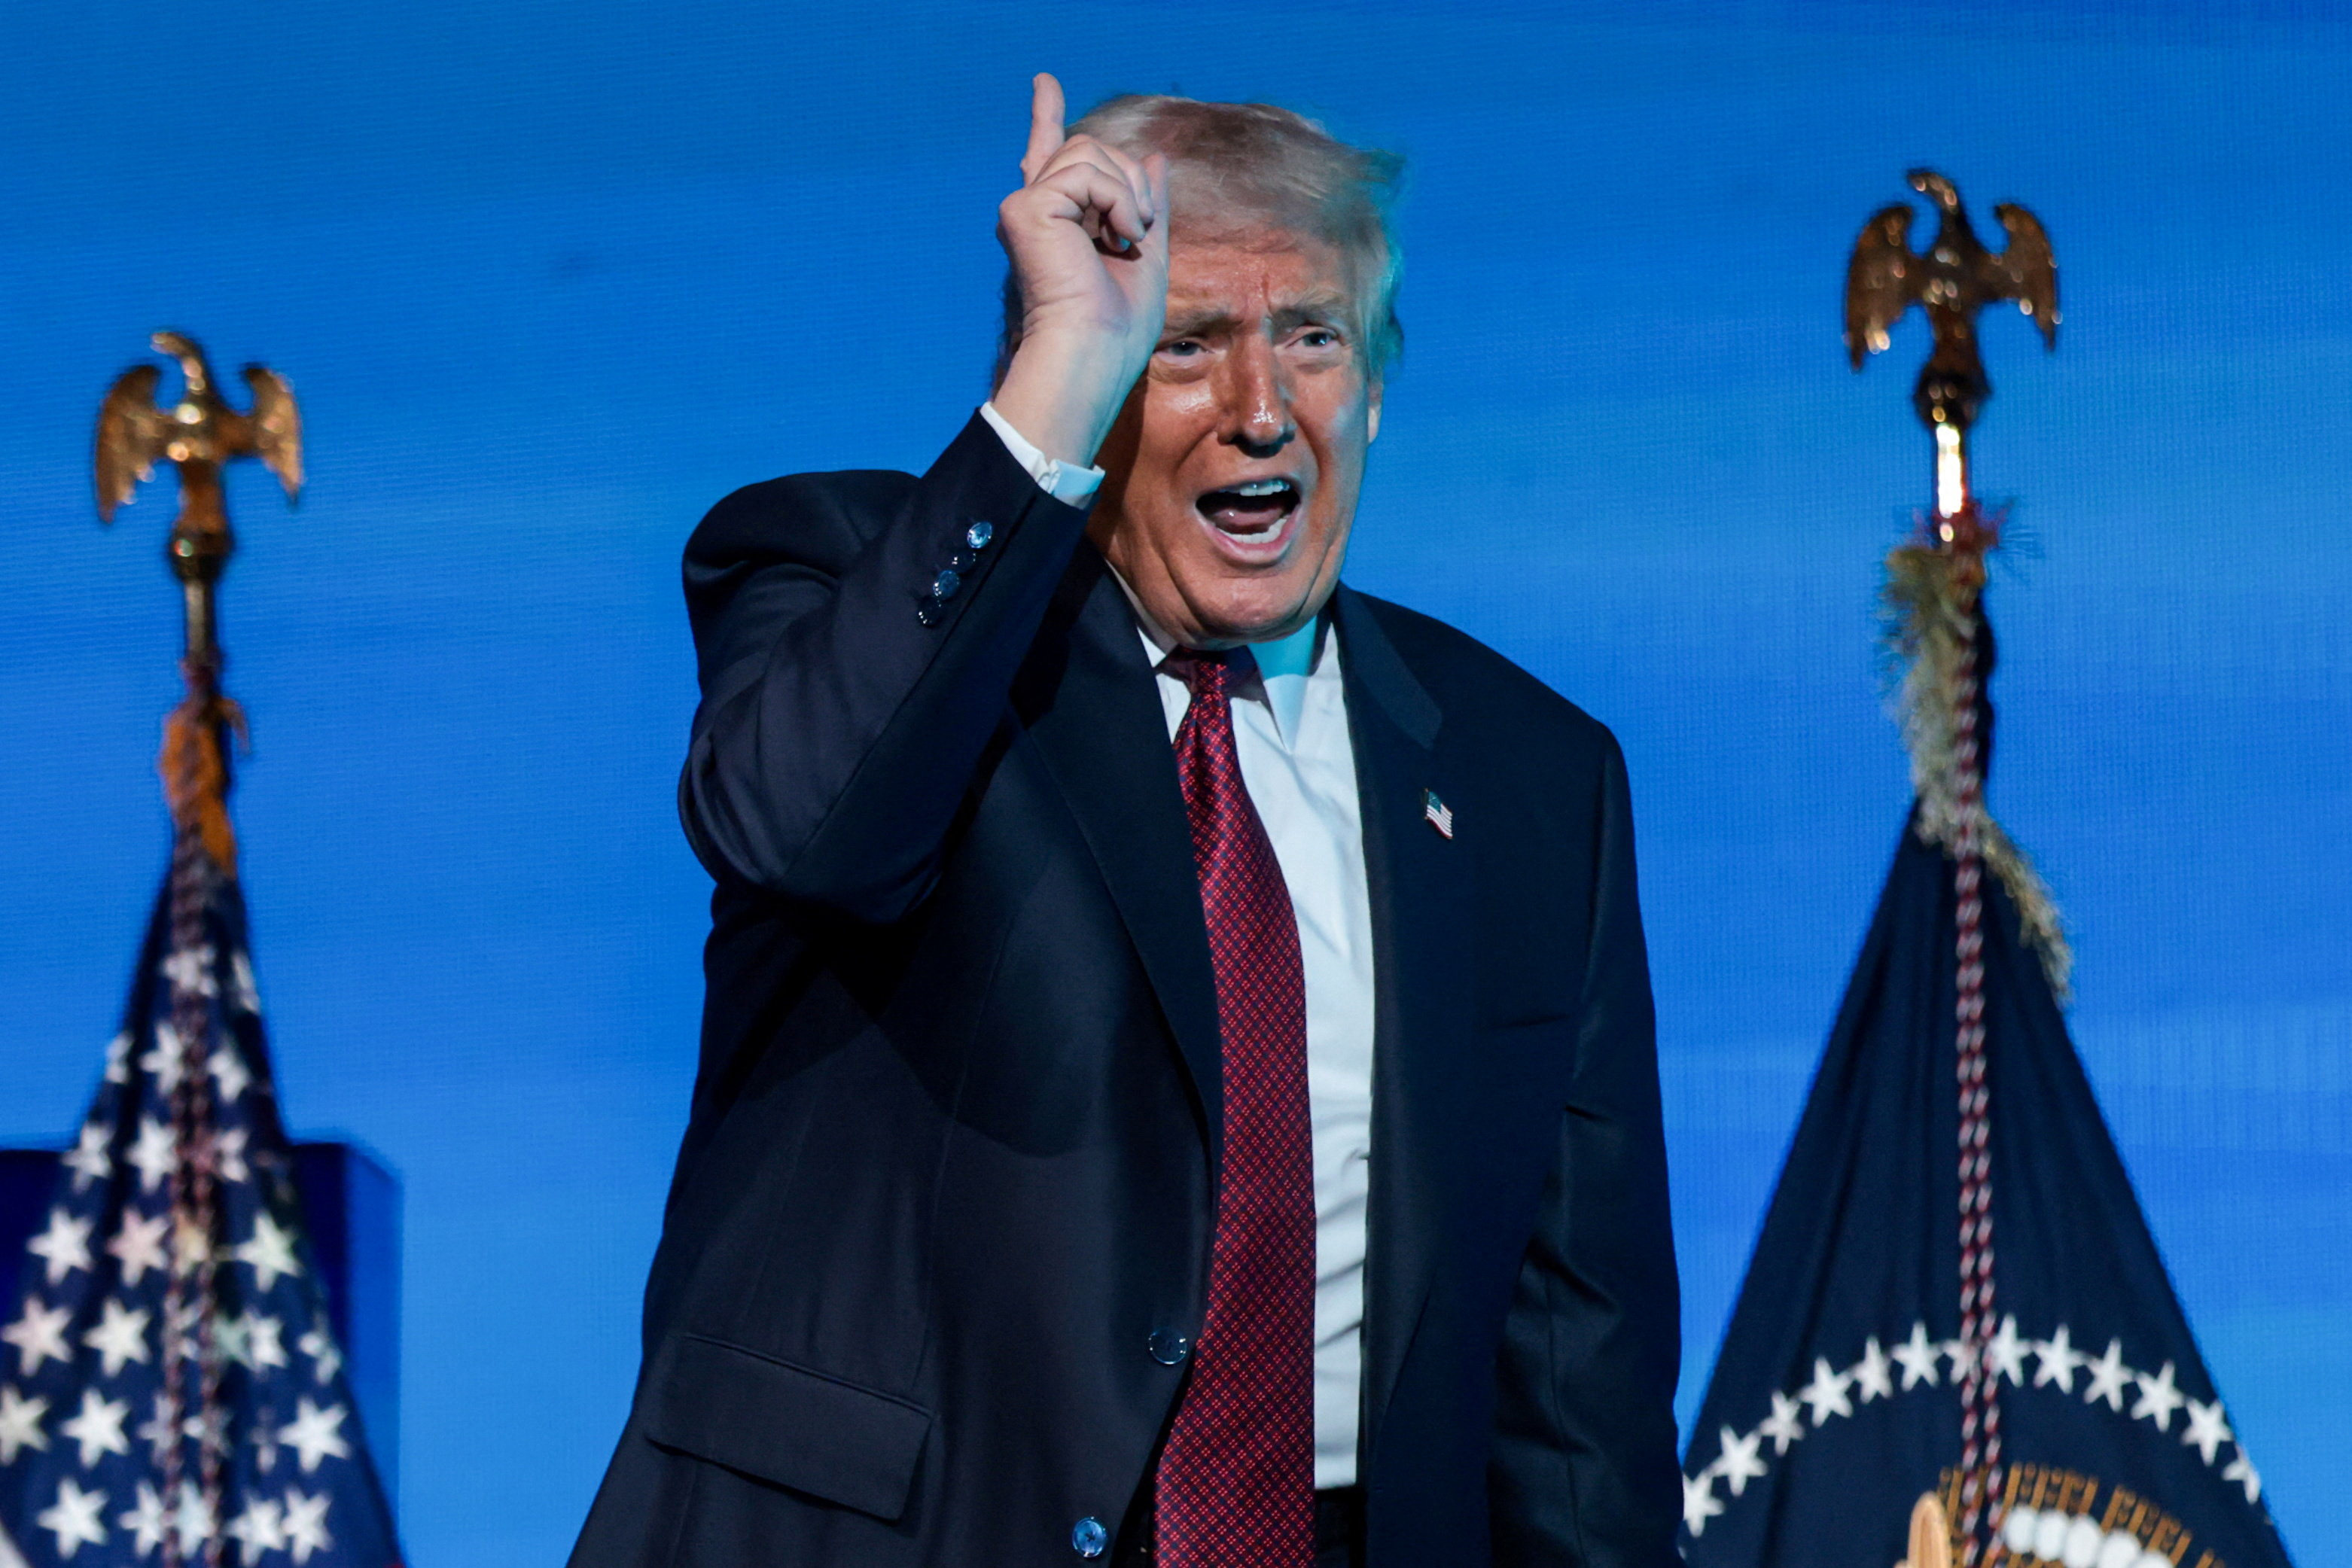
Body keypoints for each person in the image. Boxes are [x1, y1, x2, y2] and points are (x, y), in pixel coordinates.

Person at [571, 74, 1680, 1568]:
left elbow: (1576, 1370)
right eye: (1184, 345)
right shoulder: (868, 596)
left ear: (1377, 375)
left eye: (1311, 337)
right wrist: (1061, 362)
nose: (1259, 409)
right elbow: (797, 823)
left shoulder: (1526, 776)